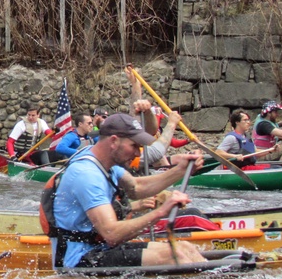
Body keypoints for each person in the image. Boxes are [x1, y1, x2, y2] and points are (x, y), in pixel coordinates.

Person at [50, 114, 207, 269]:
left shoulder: (103, 161)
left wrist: (181, 170)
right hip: (78, 259)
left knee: (185, 248)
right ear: (114, 141)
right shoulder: (86, 175)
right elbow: (112, 234)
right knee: (173, 257)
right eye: (134, 146)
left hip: (100, 248)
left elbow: (136, 187)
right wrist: (161, 212)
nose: (138, 153)